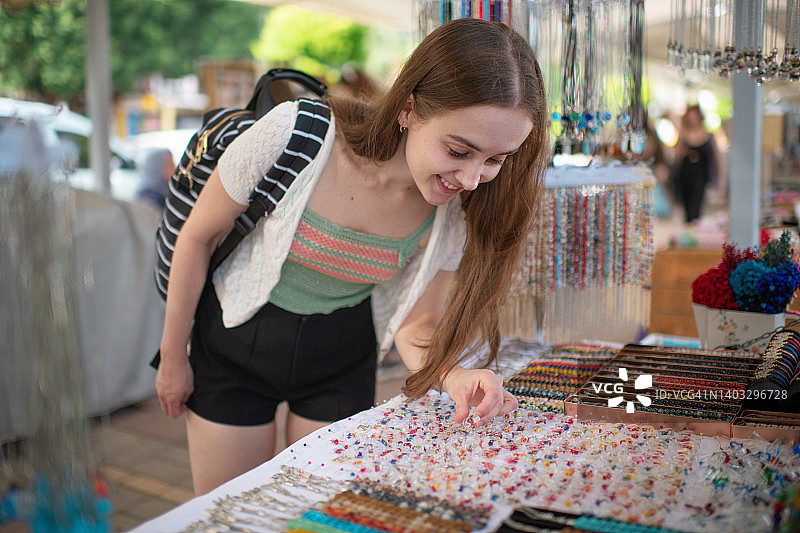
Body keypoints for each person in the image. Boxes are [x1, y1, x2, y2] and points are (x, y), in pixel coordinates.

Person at [155, 18, 549, 495]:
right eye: (458, 150)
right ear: (408, 108)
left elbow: (417, 325)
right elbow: (197, 238)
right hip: (234, 343)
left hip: (342, 358)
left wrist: (454, 376)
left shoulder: (456, 216)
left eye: (495, 160)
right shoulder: (297, 134)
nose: (470, 179)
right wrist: (173, 356)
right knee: (231, 515)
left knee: (317, 511)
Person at [671, 105, 720, 223]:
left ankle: (694, 227)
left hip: (700, 177)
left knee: (696, 207)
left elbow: (716, 159)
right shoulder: (683, 135)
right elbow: (676, 157)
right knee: (686, 208)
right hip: (685, 175)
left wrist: (719, 179)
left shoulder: (708, 135)